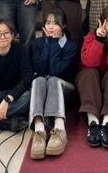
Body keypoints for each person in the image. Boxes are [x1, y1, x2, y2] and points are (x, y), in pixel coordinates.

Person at [76, 4, 108, 149]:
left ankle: (107, 122)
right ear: (102, 22)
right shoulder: (91, 36)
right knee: (89, 72)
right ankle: (93, 121)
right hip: (90, 80)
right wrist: (99, 40)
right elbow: (89, 62)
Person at [29, 8, 79, 160]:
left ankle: (59, 127)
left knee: (53, 79)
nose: (51, 27)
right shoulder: (38, 43)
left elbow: (56, 71)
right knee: (38, 79)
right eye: (48, 23)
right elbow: (40, 69)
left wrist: (55, 44)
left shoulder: (71, 47)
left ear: (63, 26)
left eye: (55, 23)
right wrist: (48, 44)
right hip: (45, 88)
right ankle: (39, 129)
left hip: (65, 90)